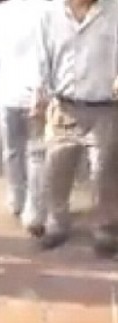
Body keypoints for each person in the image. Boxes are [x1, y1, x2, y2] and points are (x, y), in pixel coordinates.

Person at [31, 0, 118, 256]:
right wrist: (39, 96)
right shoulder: (49, 15)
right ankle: (56, 223)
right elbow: (42, 59)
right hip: (64, 106)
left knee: (104, 172)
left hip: (105, 107)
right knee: (57, 166)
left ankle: (105, 228)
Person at [0, 0, 48, 237]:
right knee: (37, 153)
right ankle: (34, 207)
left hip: (6, 89)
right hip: (37, 90)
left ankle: (16, 197)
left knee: (11, 149)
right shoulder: (48, 11)